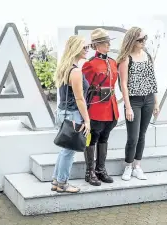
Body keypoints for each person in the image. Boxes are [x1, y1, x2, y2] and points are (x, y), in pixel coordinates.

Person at [117, 27, 159, 181]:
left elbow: (151, 80)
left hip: (148, 99)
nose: (143, 42)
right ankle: (128, 166)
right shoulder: (126, 58)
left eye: (144, 38)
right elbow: (123, 84)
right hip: (133, 101)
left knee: (142, 135)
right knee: (133, 137)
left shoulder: (148, 56)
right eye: (140, 39)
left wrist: (156, 103)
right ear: (132, 41)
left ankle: (137, 166)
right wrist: (128, 106)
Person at [51, 35, 91, 193]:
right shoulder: (75, 71)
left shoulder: (64, 67)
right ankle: (63, 183)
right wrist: (87, 120)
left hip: (62, 112)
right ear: (76, 49)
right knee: (69, 152)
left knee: (64, 150)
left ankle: (56, 181)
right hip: (73, 114)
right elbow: (79, 98)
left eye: (88, 46)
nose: (87, 50)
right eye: (84, 47)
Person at [81, 28, 119, 186]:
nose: (108, 45)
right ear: (97, 46)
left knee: (105, 138)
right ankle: (89, 172)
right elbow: (84, 88)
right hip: (96, 107)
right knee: (92, 139)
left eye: (109, 41)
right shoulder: (89, 65)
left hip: (110, 106)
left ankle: (100, 169)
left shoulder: (112, 62)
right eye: (105, 42)